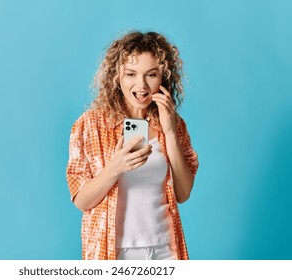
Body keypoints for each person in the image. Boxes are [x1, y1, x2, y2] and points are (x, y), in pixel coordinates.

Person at [66, 31, 199, 260]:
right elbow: (81, 200)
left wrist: (168, 131)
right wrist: (116, 167)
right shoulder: (90, 124)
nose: (142, 84)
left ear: (163, 78)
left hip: (165, 248)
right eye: (131, 74)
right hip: (113, 251)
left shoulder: (174, 125)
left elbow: (183, 193)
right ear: (117, 76)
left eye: (151, 74)